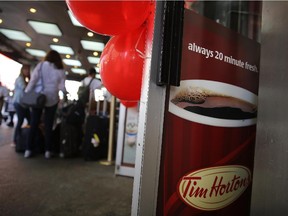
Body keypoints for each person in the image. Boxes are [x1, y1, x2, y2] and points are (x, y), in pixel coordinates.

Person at [24, 50, 66, 159]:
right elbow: (62, 87)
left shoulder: (41, 65)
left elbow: (33, 80)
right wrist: (65, 94)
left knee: (34, 123)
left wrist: (27, 92)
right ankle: (48, 151)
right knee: (48, 125)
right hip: (52, 98)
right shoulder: (60, 69)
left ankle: (28, 149)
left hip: (39, 98)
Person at [13, 65, 31, 145]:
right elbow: (24, 88)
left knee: (30, 120)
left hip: (24, 104)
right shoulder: (20, 79)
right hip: (19, 102)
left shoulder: (25, 79)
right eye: (26, 69)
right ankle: (16, 139)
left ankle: (22, 138)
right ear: (22, 70)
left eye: (28, 70)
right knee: (20, 120)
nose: (27, 71)